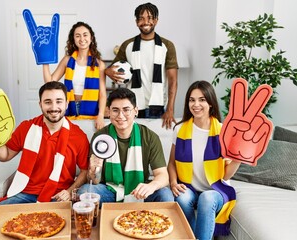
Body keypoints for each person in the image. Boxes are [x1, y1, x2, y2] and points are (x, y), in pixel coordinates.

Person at [0, 81, 90, 204]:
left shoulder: (79, 136)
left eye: (59, 101)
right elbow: (4, 155)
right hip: (25, 193)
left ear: (66, 104)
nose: (54, 107)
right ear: (40, 104)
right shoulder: (26, 128)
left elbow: (85, 171)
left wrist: (70, 191)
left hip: (58, 195)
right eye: (48, 102)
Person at [167, 80, 241, 240]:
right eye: (192, 100)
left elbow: (226, 176)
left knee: (206, 198)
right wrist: (173, 183)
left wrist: (238, 160)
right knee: (182, 198)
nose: (196, 104)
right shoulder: (180, 129)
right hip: (190, 186)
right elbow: (171, 163)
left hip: (217, 189)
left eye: (202, 99)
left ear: (211, 103)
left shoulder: (223, 131)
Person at [78, 87, 174, 204]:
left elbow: (163, 175)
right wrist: (93, 172)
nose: (120, 115)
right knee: (85, 191)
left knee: (165, 194)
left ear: (136, 111)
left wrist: (151, 186)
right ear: (108, 112)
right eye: (115, 110)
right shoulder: (100, 137)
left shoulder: (149, 137)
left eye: (126, 110)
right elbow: (94, 181)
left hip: (139, 191)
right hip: (110, 190)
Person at [105, 2, 179, 129]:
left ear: (156, 20)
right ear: (136, 22)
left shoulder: (167, 46)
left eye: (150, 18)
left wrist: (170, 109)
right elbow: (111, 69)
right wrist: (108, 72)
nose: (146, 22)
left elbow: (173, 80)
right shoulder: (128, 45)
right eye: (141, 18)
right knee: (133, 142)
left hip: (159, 106)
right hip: (132, 106)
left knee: (154, 143)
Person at [43, 22, 107, 130]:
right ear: (73, 39)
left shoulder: (99, 64)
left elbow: (102, 94)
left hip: (91, 110)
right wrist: (44, 61)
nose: (82, 39)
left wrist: (101, 115)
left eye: (85, 35)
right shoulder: (67, 60)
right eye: (78, 36)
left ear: (91, 38)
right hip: (70, 107)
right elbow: (50, 82)